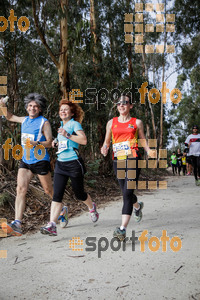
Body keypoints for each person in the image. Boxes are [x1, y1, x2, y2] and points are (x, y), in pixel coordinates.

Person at [40, 99, 99, 236]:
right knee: (57, 195)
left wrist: (67, 135)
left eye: (66, 109)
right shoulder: (61, 125)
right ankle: (52, 225)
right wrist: (56, 141)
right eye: (61, 110)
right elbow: (63, 141)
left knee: (79, 193)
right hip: (61, 164)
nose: (63, 111)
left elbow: (83, 140)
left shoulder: (74, 124)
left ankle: (91, 207)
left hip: (74, 163)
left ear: (72, 113)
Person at [101, 94, 155, 241]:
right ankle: (137, 206)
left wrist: (149, 150)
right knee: (126, 192)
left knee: (126, 194)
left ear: (130, 106)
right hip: (118, 160)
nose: (121, 105)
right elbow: (107, 141)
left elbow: (142, 139)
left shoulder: (136, 122)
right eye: (119, 103)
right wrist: (104, 148)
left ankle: (122, 229)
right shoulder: (111, 123)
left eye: (125, 103)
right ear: (117, 106)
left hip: (133, 159)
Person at [0, 93, 53, 236]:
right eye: (30, 106)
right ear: (27, 107)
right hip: (26, 160)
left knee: (48, 190)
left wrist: (37, 143)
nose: (32, 108)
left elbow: (49, 142)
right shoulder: (24, 120)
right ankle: (17, 223)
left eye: (35, 106)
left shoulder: (44, 122)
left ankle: (61, 207)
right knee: (20, 189)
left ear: (40, 109)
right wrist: (3, 106)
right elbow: (10, 117)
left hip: (41, 160)